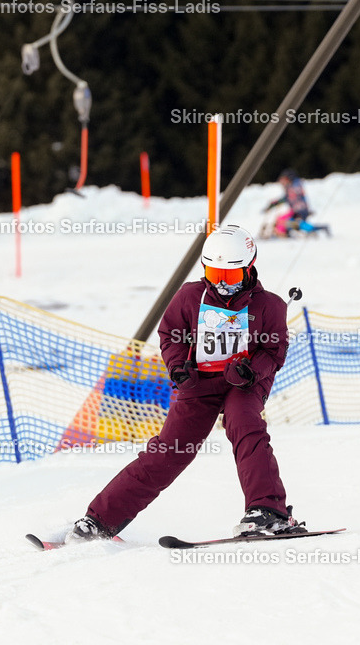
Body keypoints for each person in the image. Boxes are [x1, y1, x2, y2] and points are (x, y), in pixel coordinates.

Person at [64, 224, 304, 543]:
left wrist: (251, 372)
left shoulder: (269, 306)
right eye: (215, 273)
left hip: (243, 383)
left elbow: (274, 351)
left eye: (230, 277)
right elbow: (170, 334)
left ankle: (269, 512)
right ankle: (100, 520)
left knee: (244, 424)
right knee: (170, 449)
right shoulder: (191, 296)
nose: (222, 283)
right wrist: (178, 368)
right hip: (199, 383)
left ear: (249, 269)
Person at [263, 169, 327, 237]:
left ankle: (315, 229)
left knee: (290, 222)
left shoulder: (294, 187)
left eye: (284, 180)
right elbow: (286, 198)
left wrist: (275, 203)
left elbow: (289, 198)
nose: (282, 182)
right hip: (296, 211)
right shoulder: (292, 187)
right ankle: (283, 232)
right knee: (283, 220)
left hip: (300, 211)